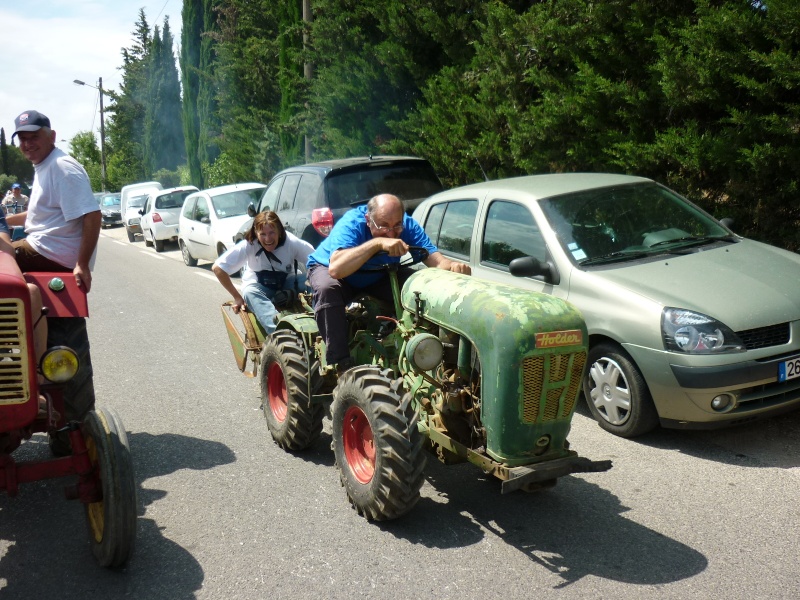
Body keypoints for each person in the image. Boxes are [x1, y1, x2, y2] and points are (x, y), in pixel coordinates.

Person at [306, 193, 471, 371]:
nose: (391, 233)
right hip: (338, 274)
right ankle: (341, 362)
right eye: (383, 226)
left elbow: (437, 261)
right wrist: (377, 243)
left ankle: (427, 353)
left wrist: (454, 267)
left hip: (378, 274)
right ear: (368, 220)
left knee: (420, 287)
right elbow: (336, 269)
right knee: (327, 288)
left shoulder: (406, 225)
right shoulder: (351, 223)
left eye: (396, 226)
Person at [6, 110, 101, 292]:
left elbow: (92, 215)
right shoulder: (45, 165)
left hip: (51, 252)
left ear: (52, 136)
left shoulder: (61, 166)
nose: (27, 144)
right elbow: (39, 216)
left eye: (34, 137)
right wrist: (4, 221)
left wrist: (82, 264)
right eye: (23, 139)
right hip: (47, 248)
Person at [213, 211, 314, 333]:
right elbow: (218, 268)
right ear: (256, 233)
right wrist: (237, 297)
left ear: (280, 231)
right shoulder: (248, 245)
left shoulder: (291, 242)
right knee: (249, 292)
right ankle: (279, 331)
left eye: (272, 233)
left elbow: (317, 263)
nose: (268, 239)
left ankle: (321, 318)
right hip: (261, 288)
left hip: (288, 283)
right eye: (263, 234)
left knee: (314, 280)